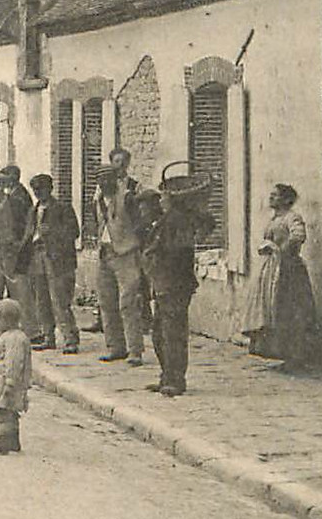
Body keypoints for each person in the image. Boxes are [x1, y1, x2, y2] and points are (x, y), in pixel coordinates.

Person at [143, 185, 214, 396]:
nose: (142, 212)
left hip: (174, 285)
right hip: (163, 285)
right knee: (160, 333)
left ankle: (175, 380)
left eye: (164, 197)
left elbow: (179, 253)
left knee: (173, 334)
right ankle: (166, 376)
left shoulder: (176, 221)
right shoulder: (163, 223)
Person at [239, 183, 318, 369]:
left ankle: (295, 357)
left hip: (288, 271)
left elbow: (298, 236)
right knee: (270, 310)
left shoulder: (292, 217)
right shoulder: (276, 218)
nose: (271, 198)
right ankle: (281, 353)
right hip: (272, 270)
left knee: (288, 310)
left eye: (275, 195)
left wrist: (282, 252)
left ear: (285, 199)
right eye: (271, 195)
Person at [93, 151, 147, 365]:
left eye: (109, 179)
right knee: (106, 302)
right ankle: (115, 346)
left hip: (126, 254)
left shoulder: (128, 197)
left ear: (116, 179)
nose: (105, 183)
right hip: (105, 253)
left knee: (128, 303)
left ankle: (135, 350)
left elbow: (141, 224)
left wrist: (135, 246)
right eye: (101, 180)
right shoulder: (97, 200)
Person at [26, 174, 81, 354]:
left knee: (59, 300)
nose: (38, 193)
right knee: (41, 300)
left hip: (57, 259)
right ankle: (48, 336)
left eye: (41, 189)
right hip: (37, 257)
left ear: (50, 189)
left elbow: (74, 232)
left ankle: (70, 338)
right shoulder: (33, 211)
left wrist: (51, 232)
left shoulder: (63, 208)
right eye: (35, 190)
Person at [0, 174, 38, 343]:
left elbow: (28, 226)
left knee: (22, 292)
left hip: (14, 254)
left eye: (0, 185)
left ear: (5, 186)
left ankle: (30, 331)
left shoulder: (17, 204)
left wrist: (21, 243)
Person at [0, 298, 32, 454]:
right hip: (6, 379)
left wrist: (10, 382)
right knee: (10, 409)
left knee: (3, 409)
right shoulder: (11, 336)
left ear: (4, 319)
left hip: (7, 380)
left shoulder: (14, 338)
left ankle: (4, 439)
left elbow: (14, 361)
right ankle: (13, 440)